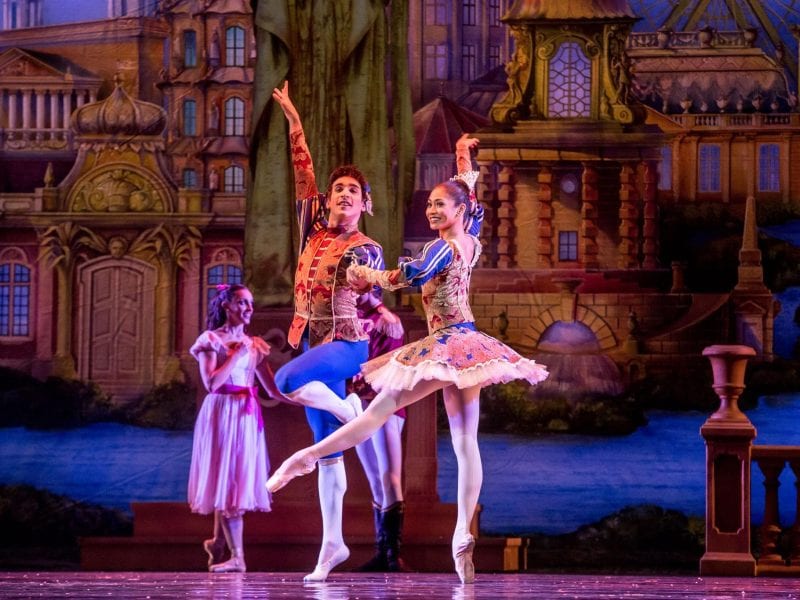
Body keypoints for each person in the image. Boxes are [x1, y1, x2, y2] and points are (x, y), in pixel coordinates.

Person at [266, 134, 549, 584]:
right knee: (465, 443)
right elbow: (469, 193)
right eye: (430, 204)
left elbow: (406, 276)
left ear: (458, 210)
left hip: (445, 346)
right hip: (472, 345)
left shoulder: (441, 248)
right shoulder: (471, 240)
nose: (431, 211)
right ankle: (462, 533)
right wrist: (462, 156)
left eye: (440, 205)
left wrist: (366, 273)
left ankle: (306, 457)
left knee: (376, 413)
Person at [270, 81, 386, 582]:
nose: (343, 194)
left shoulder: (367, 246)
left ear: (364, 204)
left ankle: (350, 412)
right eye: (338, 189)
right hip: (315, 342)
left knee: (285, 381)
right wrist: (295, 122)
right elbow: (302, 173)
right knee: (329, 452)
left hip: (347, 345)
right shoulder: (311, 229)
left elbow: (370, 287)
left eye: (352, 191)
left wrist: (374, 292)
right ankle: (332, 546)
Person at [188, 283, 355, 573]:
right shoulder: (212, 340)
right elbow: (212, 383)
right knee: (226, 478)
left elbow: (274, 390)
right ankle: (237, 557)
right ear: (227, 306)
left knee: (234, 478)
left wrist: (311, 399)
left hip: (245, 417)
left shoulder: (254, 345)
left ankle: (218, 542)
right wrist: (234, 355)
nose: (248, 308)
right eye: (242, 302)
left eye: (251, 303)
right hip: (221, 413)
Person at [350, 292, 408, 572]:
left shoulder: (386, 321)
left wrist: (362, 377)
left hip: (384, 403)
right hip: (360, 404)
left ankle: (393, 553)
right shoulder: (351, 318)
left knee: (389, 476)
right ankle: (382, 551)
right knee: (375, 479)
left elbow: (391, 366)